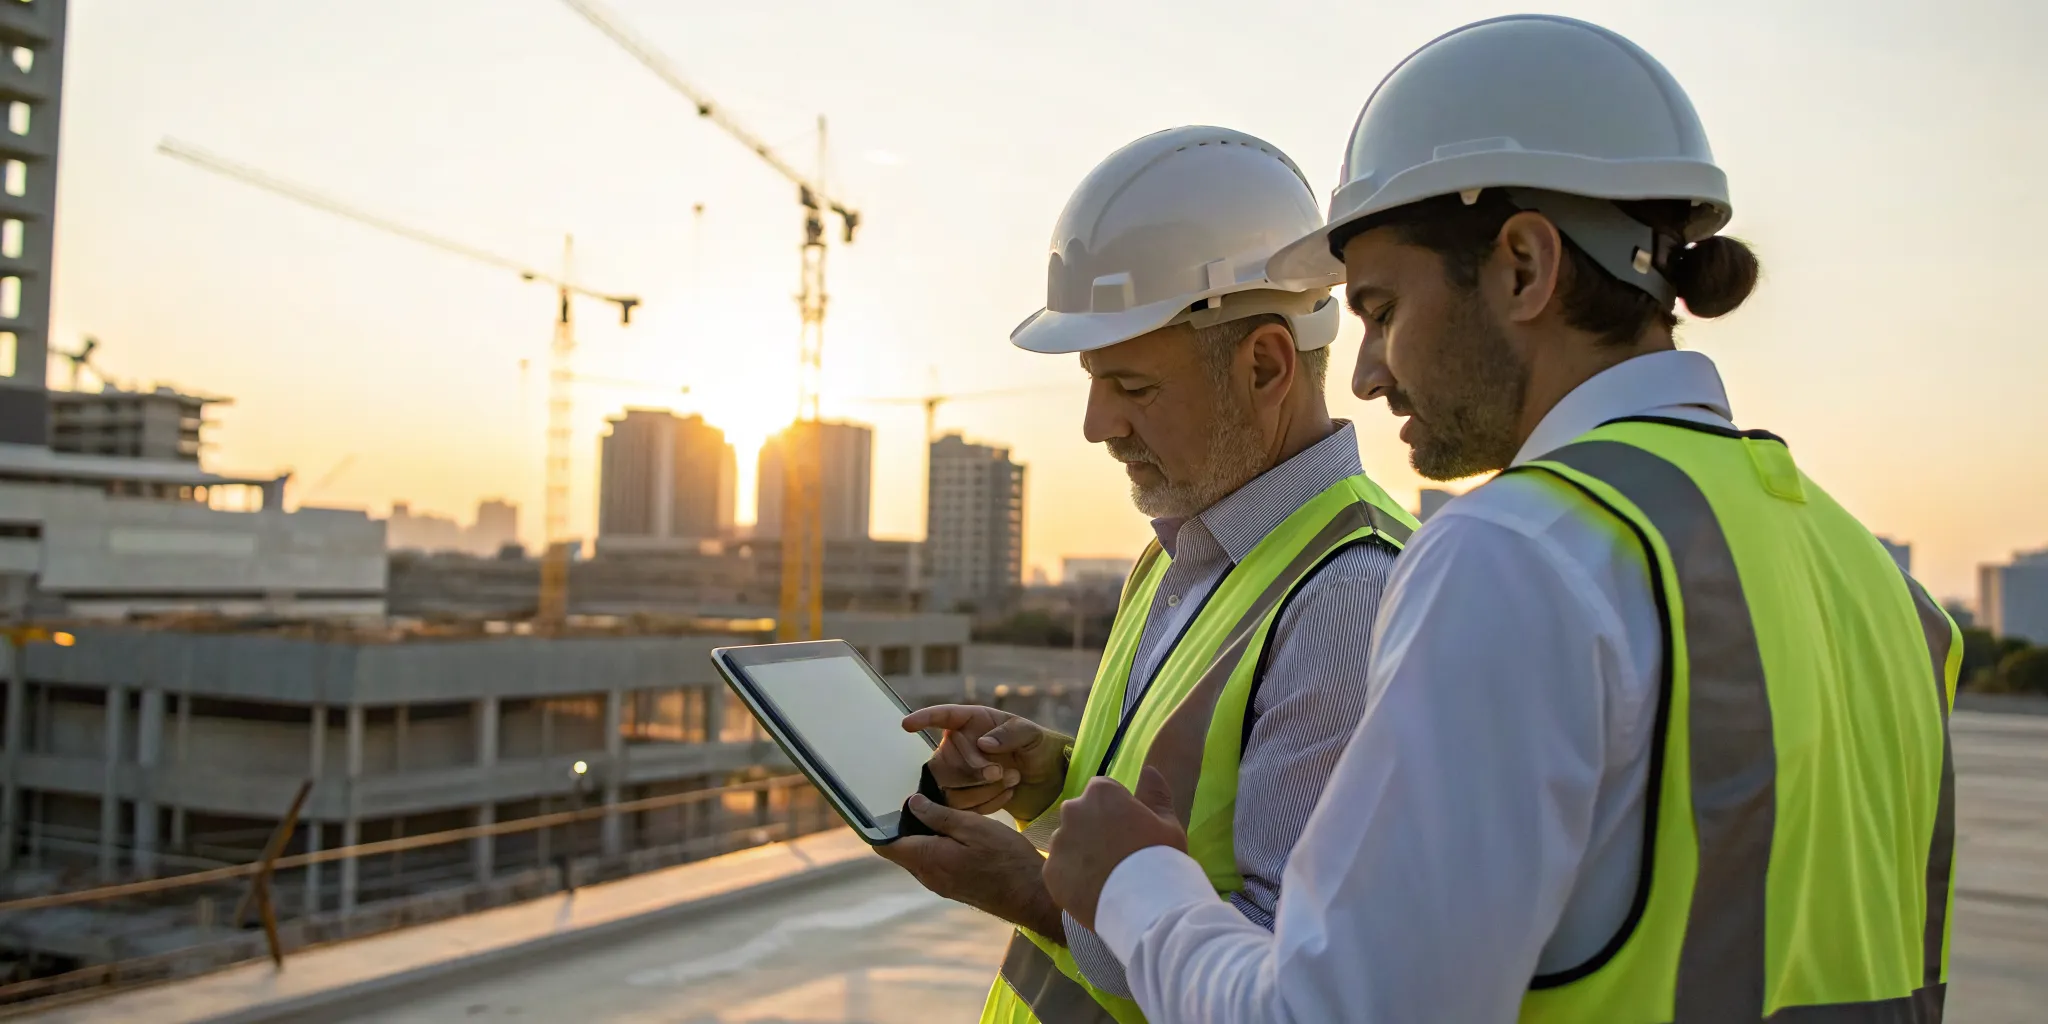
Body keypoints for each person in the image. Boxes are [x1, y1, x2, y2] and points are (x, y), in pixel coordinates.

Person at [1042, 15, 1959, 1023]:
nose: (1366, 372)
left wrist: (1134, 886)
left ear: (1522, 266)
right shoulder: (1880, 587)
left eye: (1382, 310)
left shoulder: (1519, 554)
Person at [873, 125, 1419, 1024]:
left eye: (1133, 387)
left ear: (1266, 365)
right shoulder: (1175, 554)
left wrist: (1028, 891)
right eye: (1094, 382)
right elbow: (1173, 827)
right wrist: (1049, 778)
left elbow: (1287, 977)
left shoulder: (1349, 595)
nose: (1098, 425)